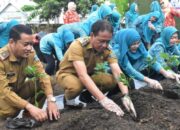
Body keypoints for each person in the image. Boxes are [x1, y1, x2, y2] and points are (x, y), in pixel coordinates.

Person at [56, 20, 136, 117]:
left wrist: (125, 95)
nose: (104, 45)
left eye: (108, 41)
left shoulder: (108, 49)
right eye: (101, 41)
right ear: (92, 35)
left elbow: (117, 72)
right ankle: (68, 100)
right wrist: (103, 99)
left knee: (110, 81)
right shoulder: (78, 45)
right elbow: (82, 75)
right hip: (68, 74)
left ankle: (87, 96)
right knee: (75, 87)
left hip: (89, 75)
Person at [0, 25, 60, 121]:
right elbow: (4, 92)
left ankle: (29, 115)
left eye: (31, 44)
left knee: (49, 81)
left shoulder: (30, 53)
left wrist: (51, 99)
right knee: (10, 113)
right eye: (26, 44)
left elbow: (42, 75)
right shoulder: (2, 59)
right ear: (11, 42)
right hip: (3, 96)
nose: (29, 48)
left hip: (18, 90)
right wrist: (28, 106)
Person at [114, 28, 180, 90]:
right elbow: (129, 70)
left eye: (138, 43)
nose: (137, 46)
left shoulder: (139, 45)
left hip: (139, 70)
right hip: (124, 73)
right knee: (127, 84)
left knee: (159, 71)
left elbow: (150, 60)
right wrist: (148, 80)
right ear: (126, 43)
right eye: (133, 44)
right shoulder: (119, 51)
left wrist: (165, 73)